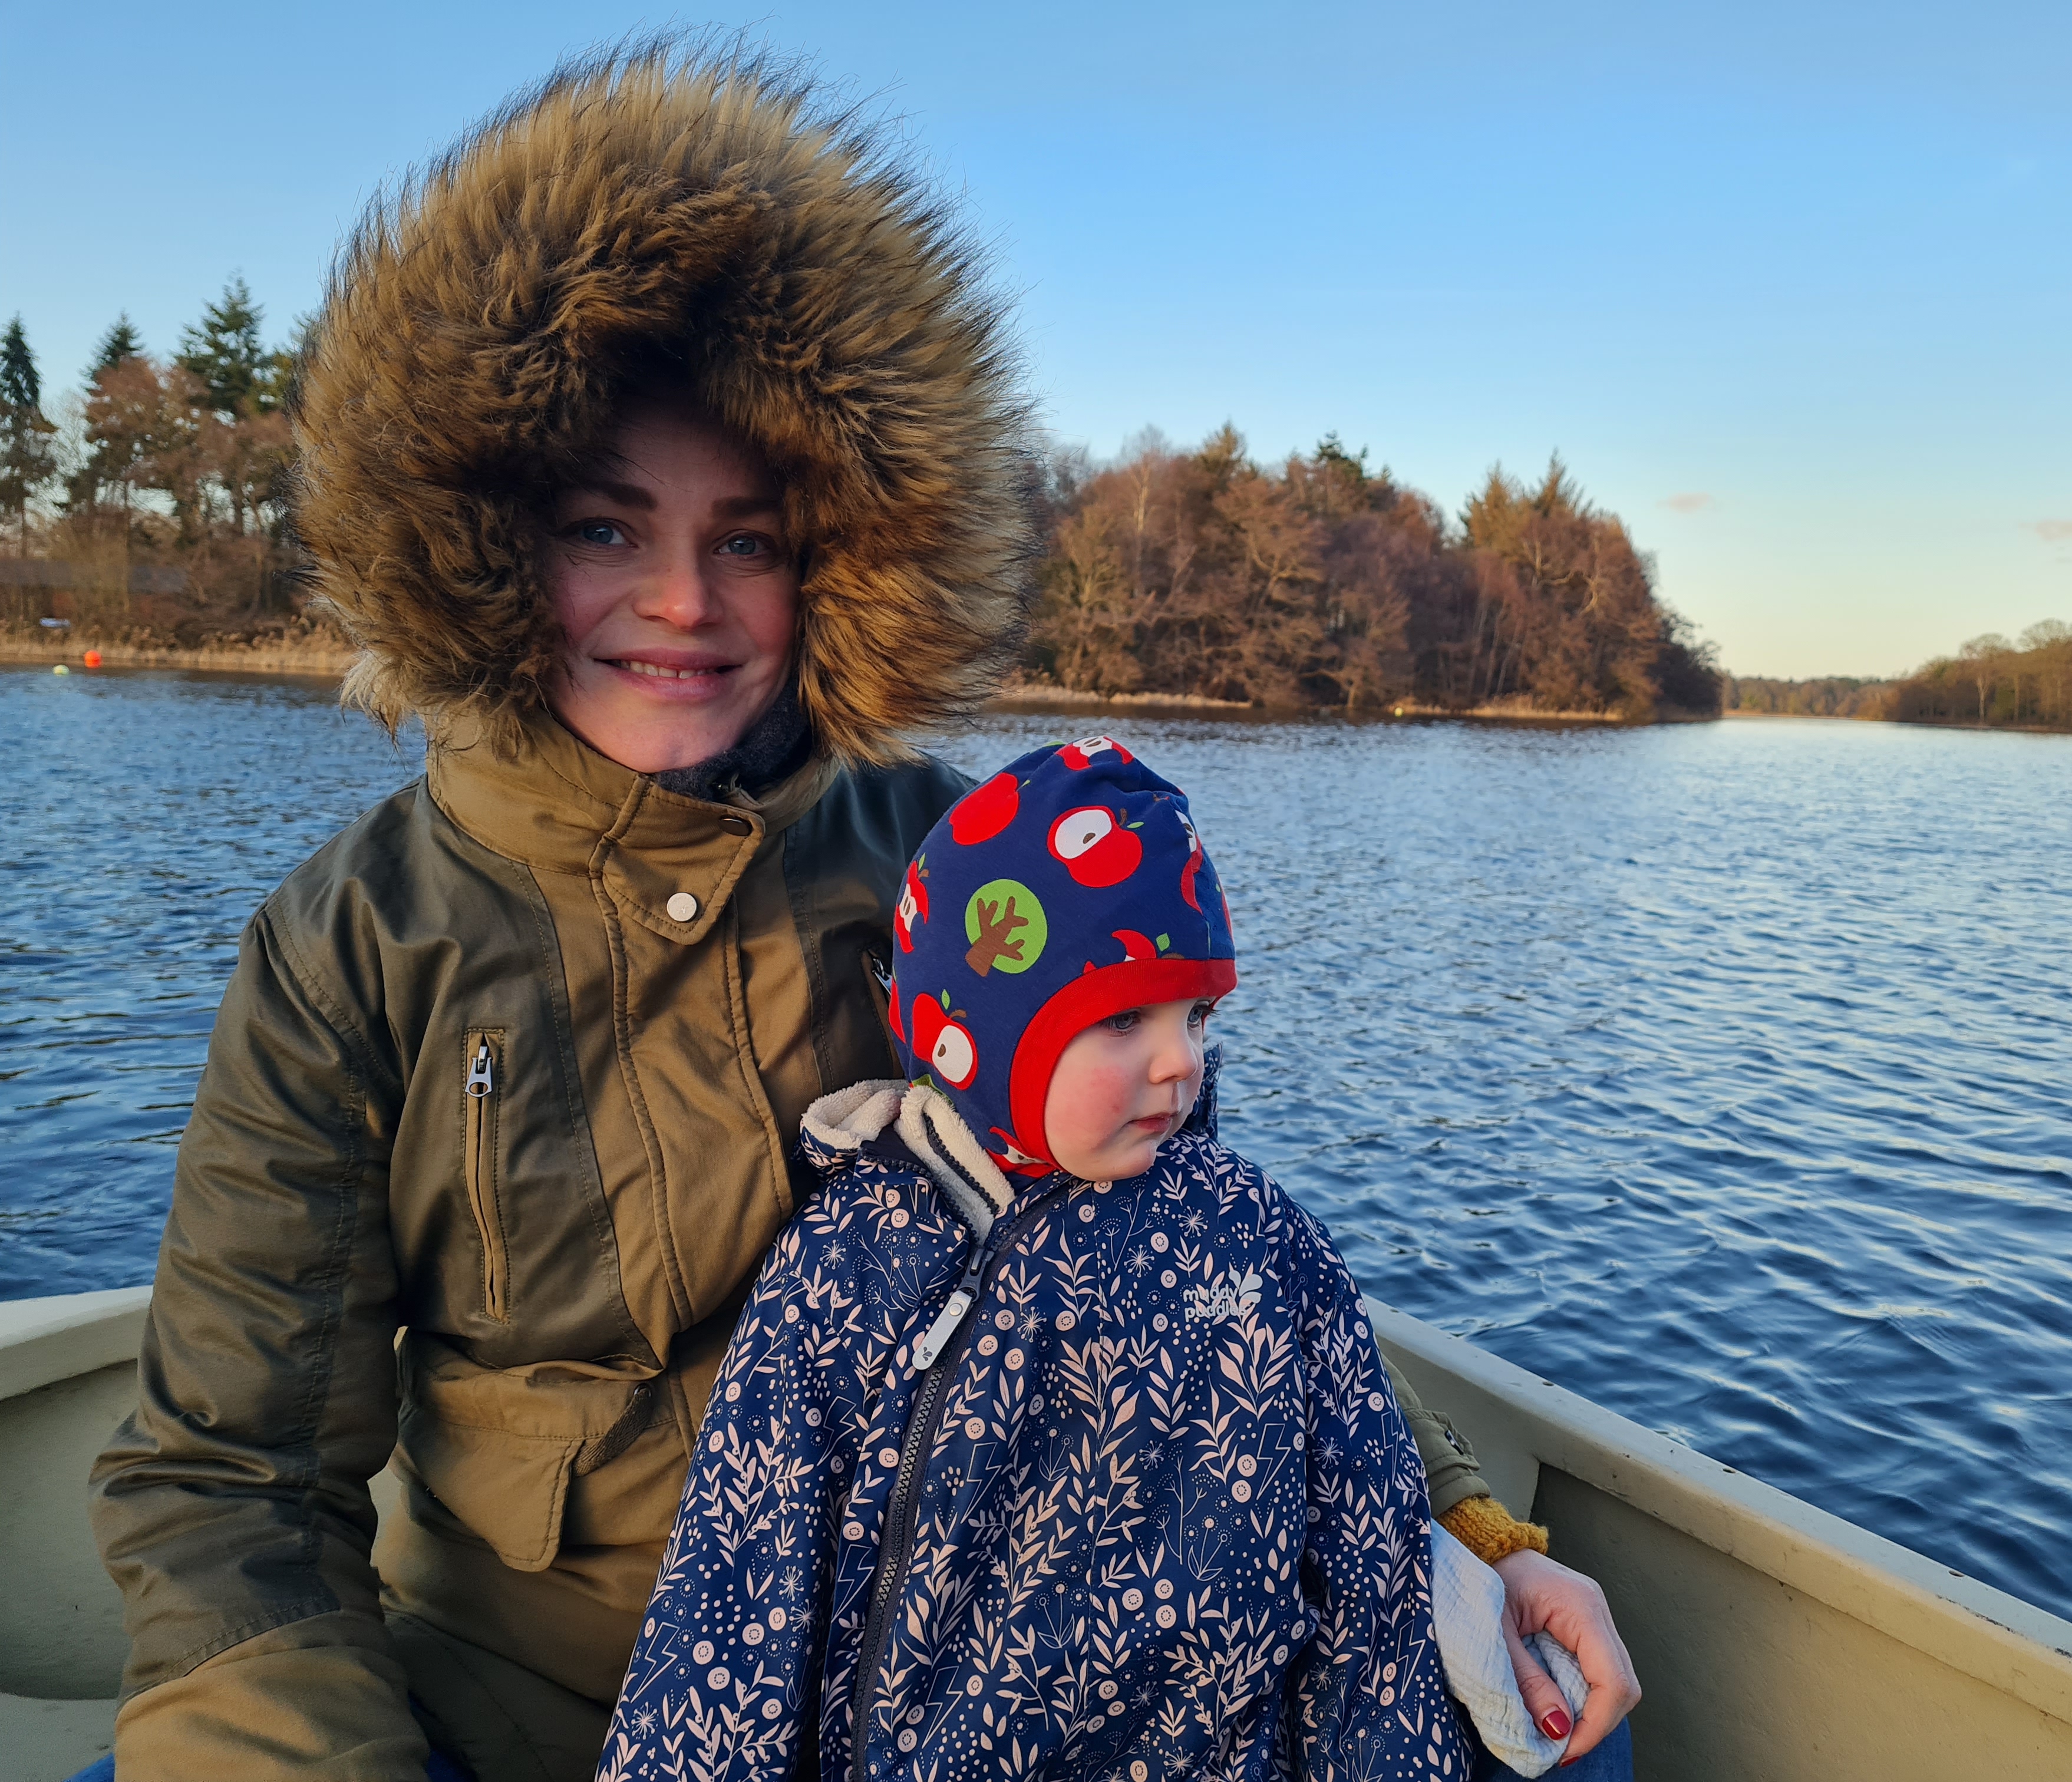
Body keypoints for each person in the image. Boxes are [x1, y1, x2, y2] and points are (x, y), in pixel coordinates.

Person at [83, 43, 1635, 1782]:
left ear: (831, 563)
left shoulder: (972, 869)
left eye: (745, 540)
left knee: (1569, 1743)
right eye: (608, 527)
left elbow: (1196, 1247)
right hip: (511, 1714)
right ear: (487, 543)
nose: (682, 600)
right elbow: (231, 1490)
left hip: (956, 1704)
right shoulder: (351, 948)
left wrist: (1475, 1535)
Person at [598, 741, 1469, 1780]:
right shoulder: (845, 1269)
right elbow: (733, 1605)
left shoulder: (1258, 1243)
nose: (1181, 1060)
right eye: (1121, 1017)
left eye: (1196, 1013)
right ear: (982, 1031)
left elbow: (1370, 1568)